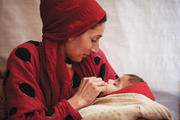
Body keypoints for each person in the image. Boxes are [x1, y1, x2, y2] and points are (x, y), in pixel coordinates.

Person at [3, 0, 118, 120]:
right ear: (71, 31)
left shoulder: (95, 59)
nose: (96, 49)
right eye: (93, 40)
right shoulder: (25, 58)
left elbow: (126, 96)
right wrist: (78, 101)